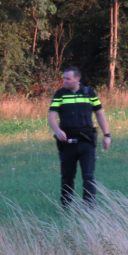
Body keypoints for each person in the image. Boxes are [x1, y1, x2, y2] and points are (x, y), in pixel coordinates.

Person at [48, 67, 111, 208]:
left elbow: (100, 114)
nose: (64, 81)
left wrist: (107, 135)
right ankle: (66, 206)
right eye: (63, 78)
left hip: (86, 142)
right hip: (67, 143)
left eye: (67, 79)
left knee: (88, 176)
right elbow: (51, 116)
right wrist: (57, 131)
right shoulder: (60, 94)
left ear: (77, 79)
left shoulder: (89, 93)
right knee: (67, 177)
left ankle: (89, 206)